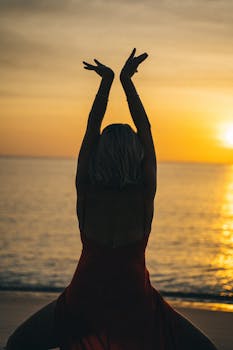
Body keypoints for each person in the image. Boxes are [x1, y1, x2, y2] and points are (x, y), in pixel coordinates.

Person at [6, 49, 218, 350]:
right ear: (137, 154)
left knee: (17, 344)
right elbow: (146, 129)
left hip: (83, 300)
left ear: (100, 154)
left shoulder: (87, 192)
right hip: (136, 303)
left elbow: (91, 127)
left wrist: (105, 83)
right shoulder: (144, 195)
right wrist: (126, 81)